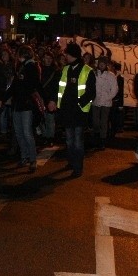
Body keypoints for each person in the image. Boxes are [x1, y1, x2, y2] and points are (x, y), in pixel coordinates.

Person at [48, 42, 96, 178]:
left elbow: (91, 92)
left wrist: (80, 103)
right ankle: (72, 161)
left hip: (80, 112)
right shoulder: (65, 70)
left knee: (78, 140)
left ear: (72, 55)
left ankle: (78, 166)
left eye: (67, 54)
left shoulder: (87, 71)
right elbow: (58, 87)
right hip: (67, 111)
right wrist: (54, 101)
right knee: (69, 139)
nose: (65, 56)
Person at [3, 44, 41, 172]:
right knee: (19, 132)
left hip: (26, 104)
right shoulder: (20, 67)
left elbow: (32, 84)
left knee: (26, 132)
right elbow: (14, 86)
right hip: (18, 104)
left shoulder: (31, 67)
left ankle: (32, 159)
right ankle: (24, 156)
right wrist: (3, 98)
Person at [90, 56, 118, 150]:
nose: (101, 65)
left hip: (106, 102)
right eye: (100, 63)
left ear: (106, 65)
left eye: (103, 63)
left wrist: (109, 97)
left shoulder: (111, 75)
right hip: (95, 101)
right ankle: (96, 136)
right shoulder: (94, 74)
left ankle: (102, 140)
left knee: (104, 122)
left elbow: (114, 88)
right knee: (95, 122)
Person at [39, 51, 60, 147]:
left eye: (50, 58)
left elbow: (57, 86)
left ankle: (50, 137)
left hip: (51, 97)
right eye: (46, 58)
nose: (48, 60)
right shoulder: (39, 69)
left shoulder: (55, 71)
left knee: (50, 119)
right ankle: (44, 136)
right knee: (42, 118)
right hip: (41, 97)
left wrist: (54, 99)